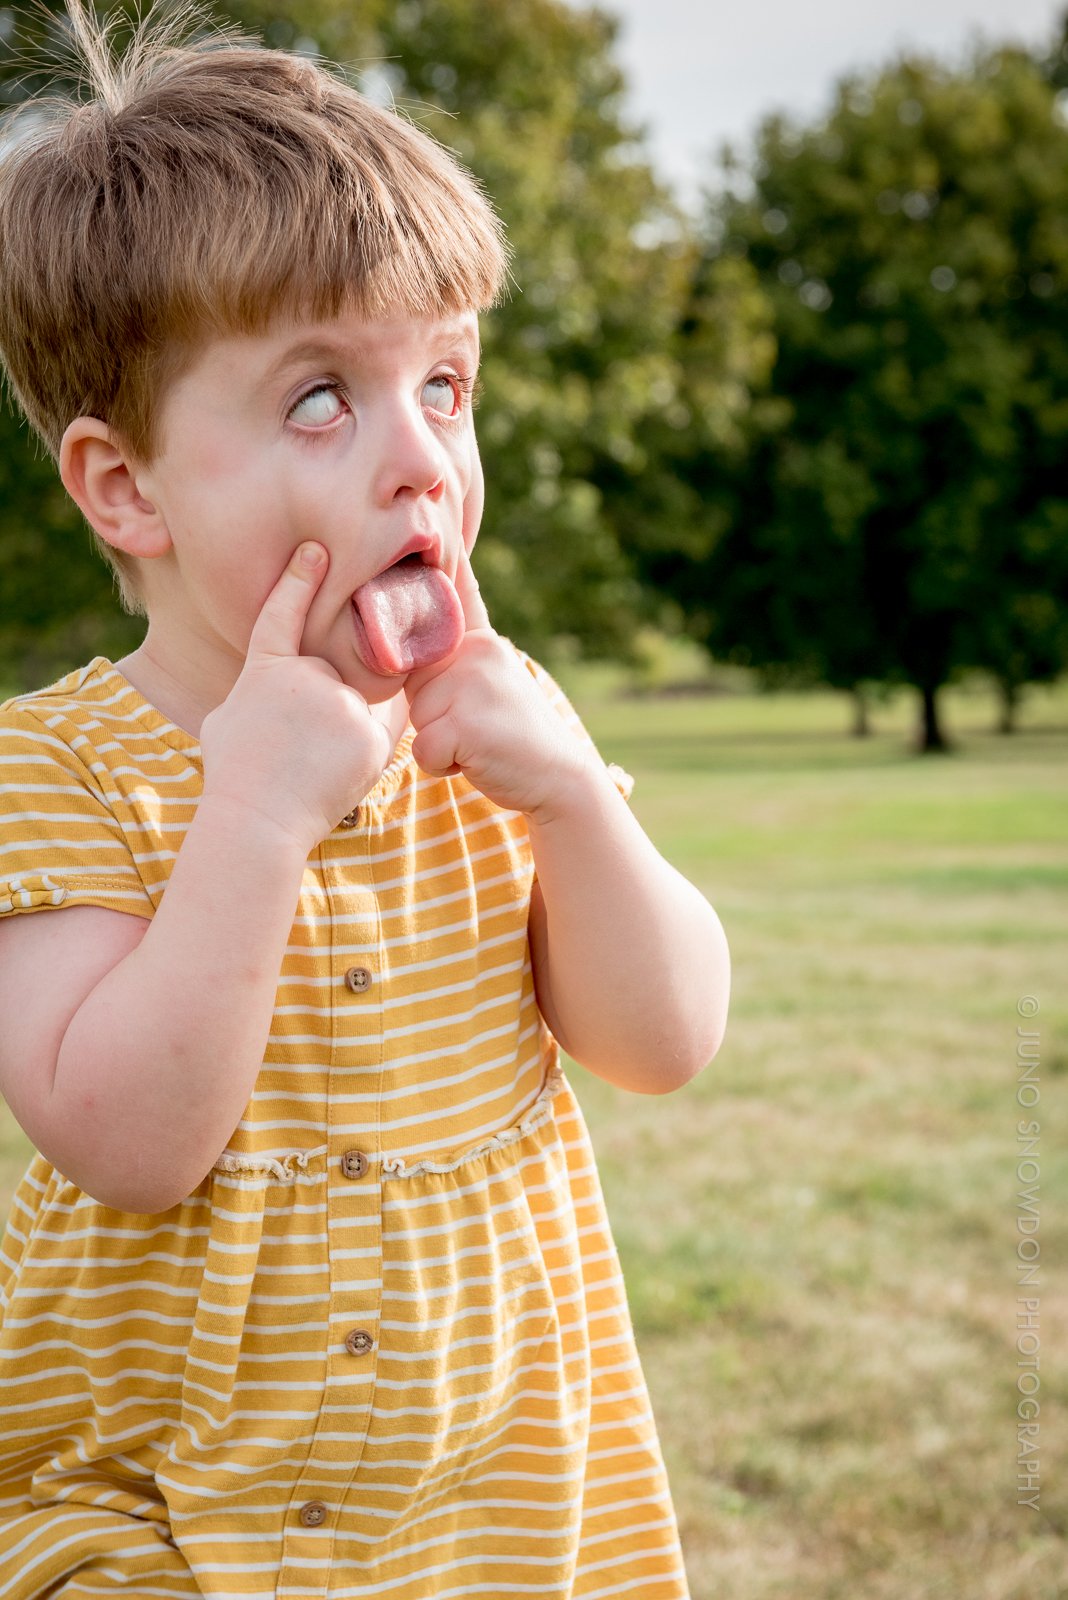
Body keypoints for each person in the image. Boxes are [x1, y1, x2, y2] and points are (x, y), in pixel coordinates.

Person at [0, 5, 729, 1595]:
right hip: (166, 1516)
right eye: (322, 398)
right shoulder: (56, 773)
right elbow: (128, 1139)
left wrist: (578, 812)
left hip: (503, 1507)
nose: (420, 463)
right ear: (129, 488)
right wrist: (252, 816)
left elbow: (662, 1042)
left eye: (447, 386)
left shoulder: (486, 737)